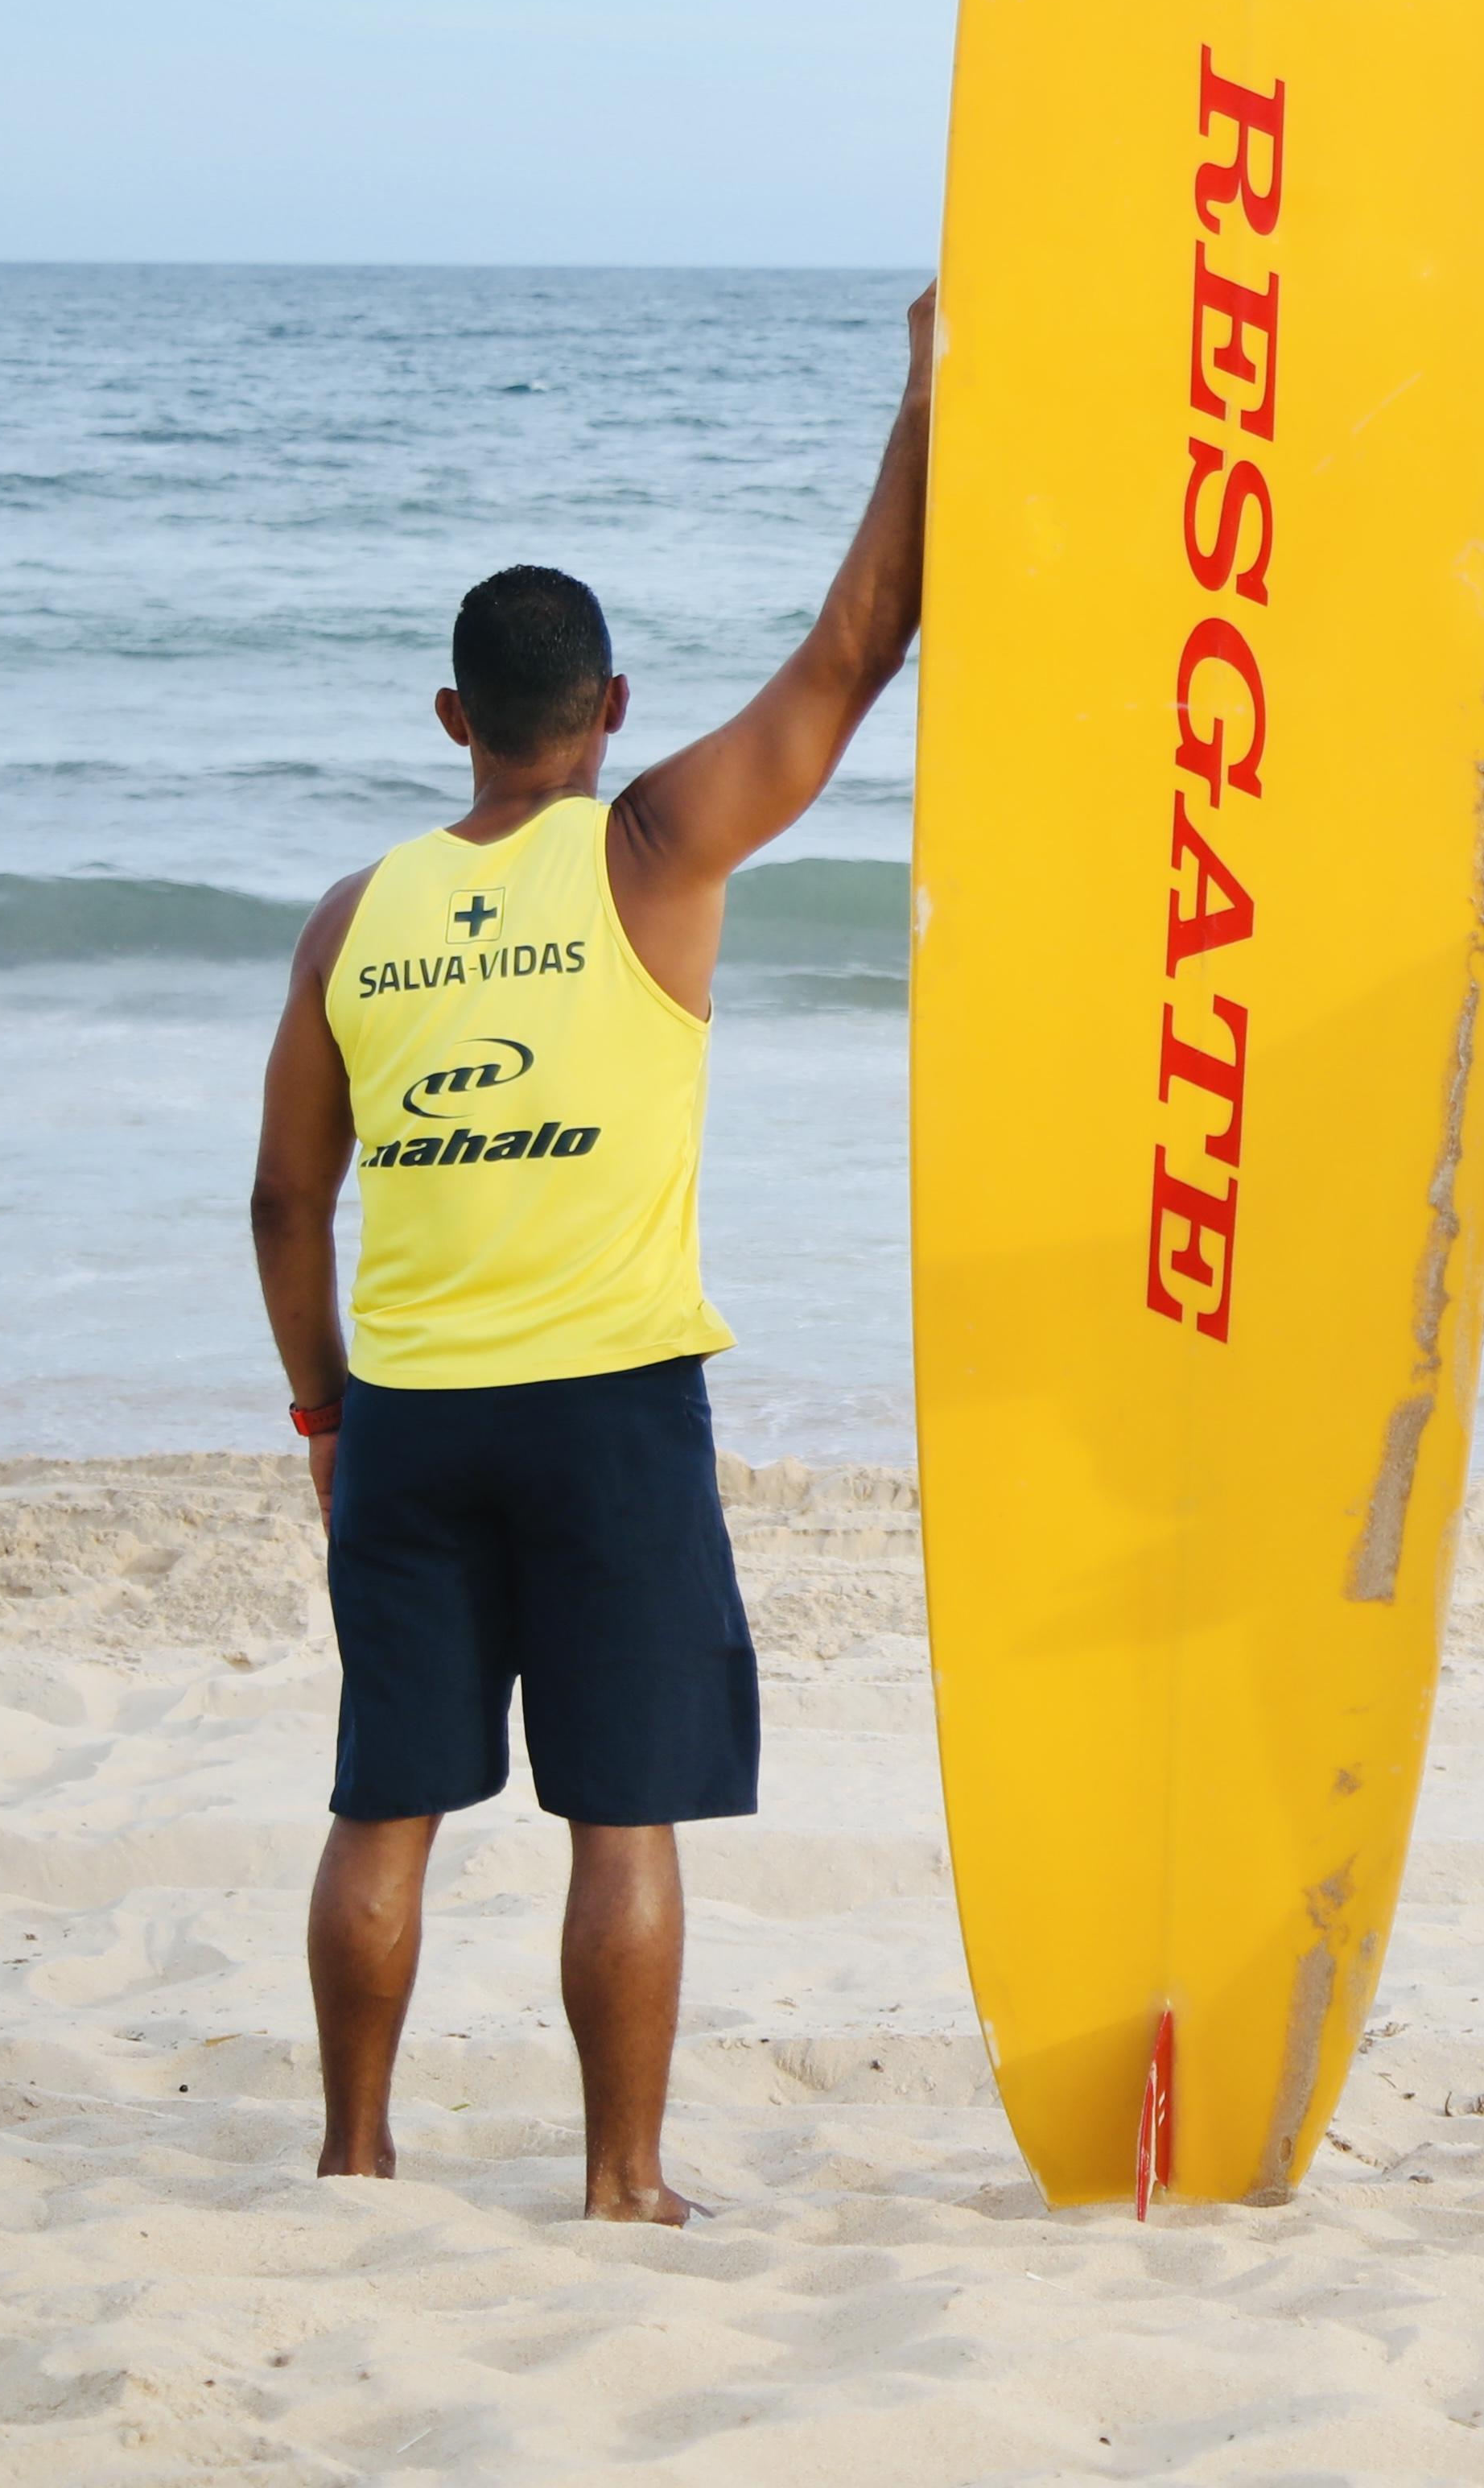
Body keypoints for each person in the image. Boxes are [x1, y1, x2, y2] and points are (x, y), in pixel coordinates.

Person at [246, 288, 933, 2224]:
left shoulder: (348, 917)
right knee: (617, 1811)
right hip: (612, 1411)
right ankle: (621, 2180)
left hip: (410, 1415)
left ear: (454, 719)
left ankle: (355, 2149)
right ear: (611, 708)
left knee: (383, 1797)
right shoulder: (649, 852)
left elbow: (286, 1200)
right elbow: (856, 648)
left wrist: (322, 1404)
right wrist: (924, 400)